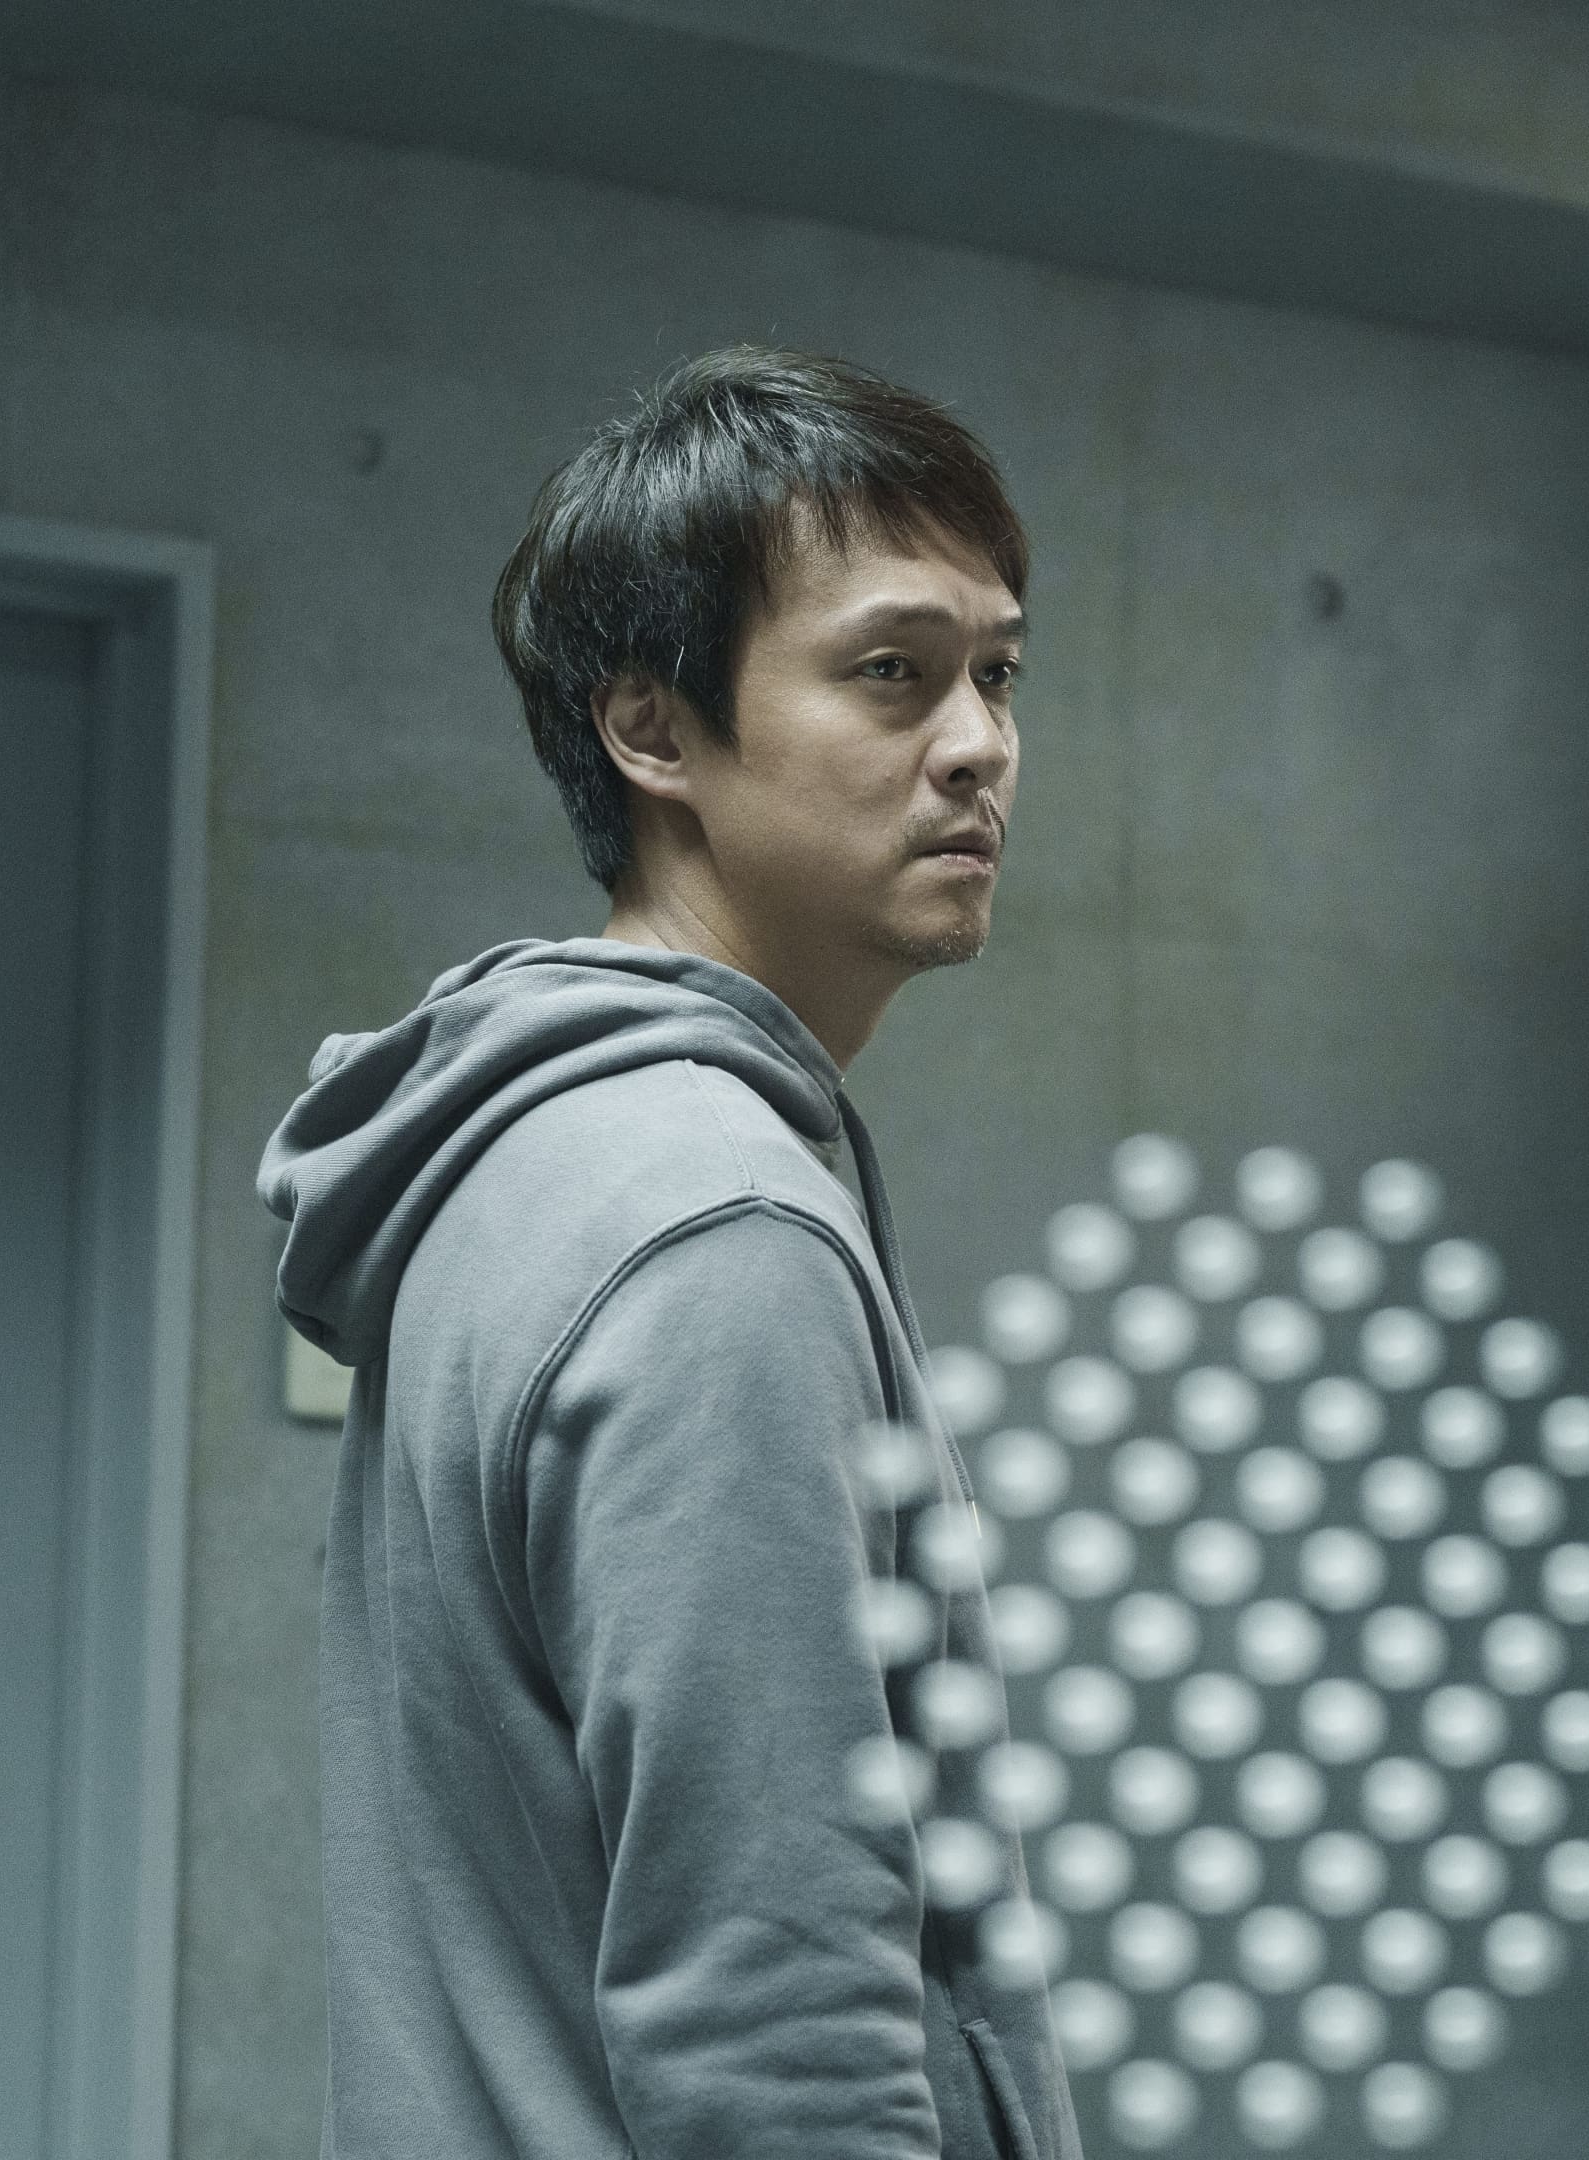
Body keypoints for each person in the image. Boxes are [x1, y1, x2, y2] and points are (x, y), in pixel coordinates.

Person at [261, 345, 1078, 2160]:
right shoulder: (716, 1230)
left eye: (998, 674)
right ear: (652, 732)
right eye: (891, 672)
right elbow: (772, 2019)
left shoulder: (527, 1163)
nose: (979, 744)